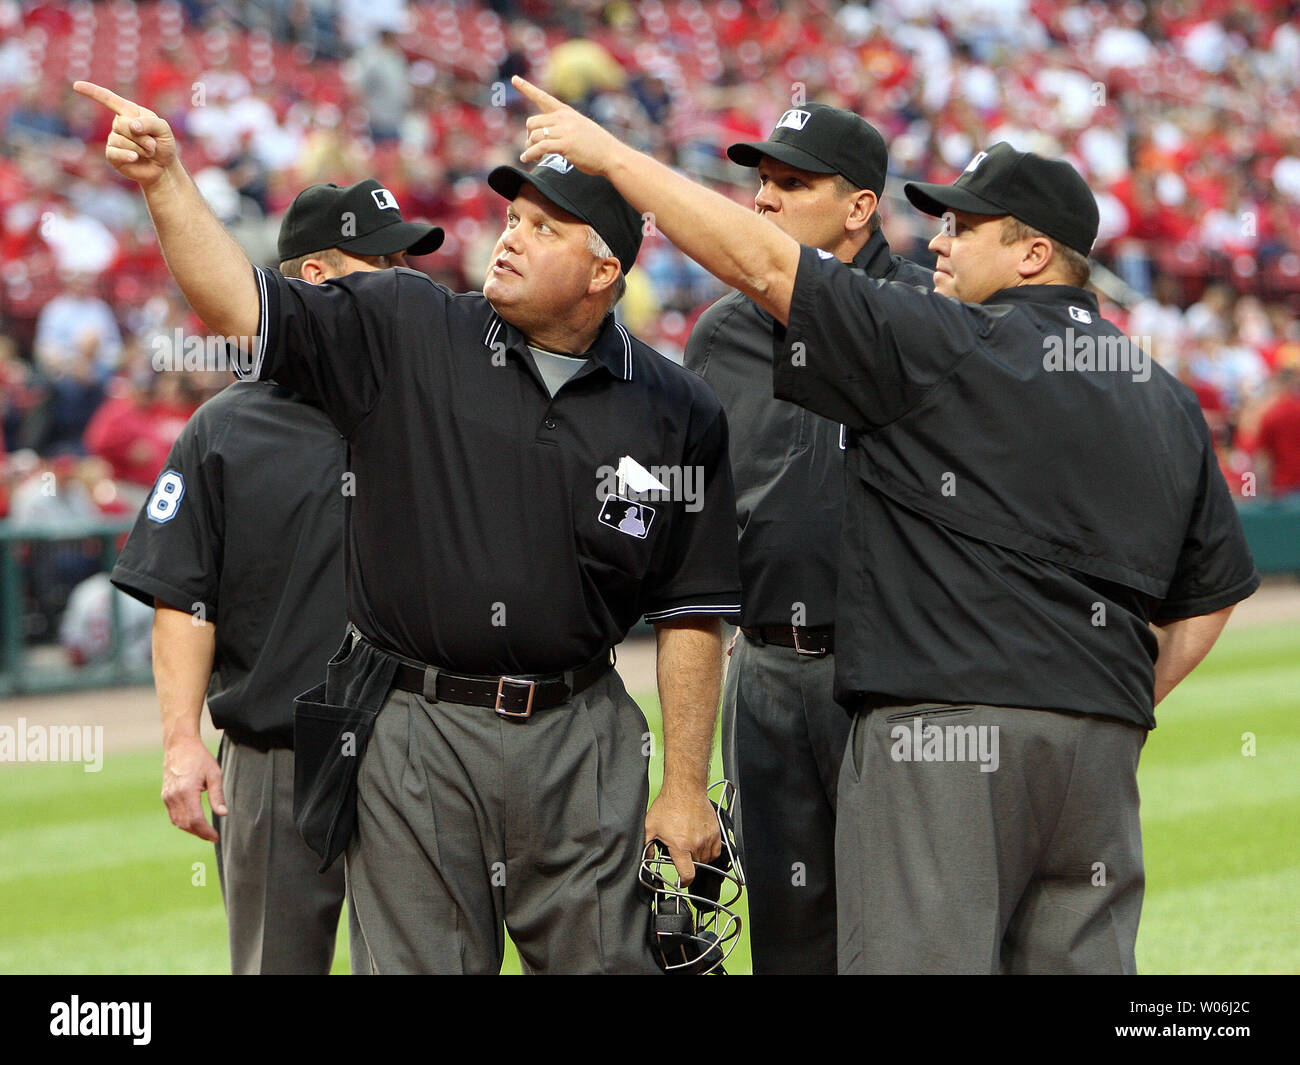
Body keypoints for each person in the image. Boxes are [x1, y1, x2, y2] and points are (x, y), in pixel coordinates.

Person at [511, 79, 1259, 974]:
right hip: (1093, 743)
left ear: (1032, 256)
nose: (940, 239)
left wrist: (616, 160)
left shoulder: (944, 338)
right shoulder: (1164, 396)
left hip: (936, 728)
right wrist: (1114, 694)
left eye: (965, 227)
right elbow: (1214, 590)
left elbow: (765, 266)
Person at [78, 80, 742, 975]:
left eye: (546, 228)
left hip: (581, 726)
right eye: (513, 215)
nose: (511, 234)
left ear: (604, 273)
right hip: (416, 723)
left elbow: (693, 609)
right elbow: (240, 306)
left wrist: (687, 784)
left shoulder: (677, 407)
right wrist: (166, 182)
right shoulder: (410, 327)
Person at [109, 178, 444, 975]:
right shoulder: (224, 428)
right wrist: (182, 739)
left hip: (420, 745)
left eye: (410, 258)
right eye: (385, 259)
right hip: (273, 759)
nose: (409, 278)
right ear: (315, 279)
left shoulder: (438, 401)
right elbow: (181, 594)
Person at [683, 104, 930, 975]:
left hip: (891, 674)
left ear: (861, 206)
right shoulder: (722, 332)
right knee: (789, 941)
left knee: (906, 934)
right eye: (761, 180)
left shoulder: (925, 316)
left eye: (793, 183)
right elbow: (696, 513)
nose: (764, 199)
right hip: (767, 674)